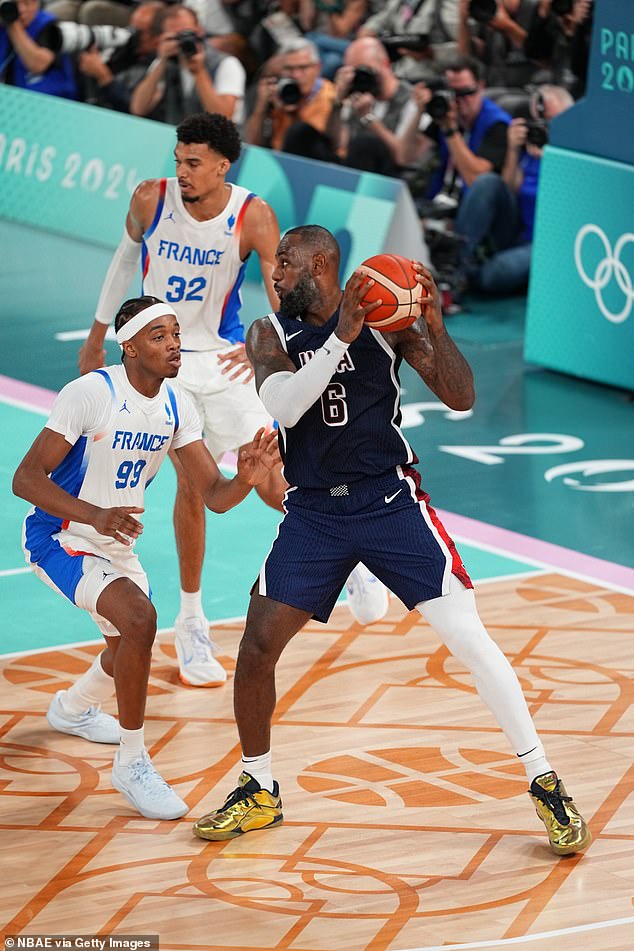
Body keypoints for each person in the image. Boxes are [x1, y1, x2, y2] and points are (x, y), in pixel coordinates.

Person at [191, 224, 591, 858]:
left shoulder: (386, 319)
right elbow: (286, 407)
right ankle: (258, 786)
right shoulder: (269, 333)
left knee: (468, 637)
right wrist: (340, 338)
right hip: (315, 513)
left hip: (389, 501)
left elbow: (461, 397)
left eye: (288, 264)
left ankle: (544, 780)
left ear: (321, 266)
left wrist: (432, 322)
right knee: (257, 642)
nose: (276, 273)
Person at [12, 296, 280, 820]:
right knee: (140, 620)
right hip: (60, 535)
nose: (175, 344)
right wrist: (95, 515)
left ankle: (71, 708)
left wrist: (246, 478)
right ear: (129, 346)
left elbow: (214, 497)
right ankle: (132, 763)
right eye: (159, 336)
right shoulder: (91, 394)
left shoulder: (178, 406)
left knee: (123, 652)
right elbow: (26, 479)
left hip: (113, 540)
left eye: (176, 334)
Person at [78, 112, 283, 688]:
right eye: (179, 160)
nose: (182, 171)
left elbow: (275, 284)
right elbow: (123, 262)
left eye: (194, 162)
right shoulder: (151, 199)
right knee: (193, 485)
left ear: (223, 165)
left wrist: (268, 342)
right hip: (166, 362)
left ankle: (347, 538)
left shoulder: (253, 214)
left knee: (270, 473)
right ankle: (193, 623)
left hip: (223, 358)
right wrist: (97, 335)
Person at [464, 84, 574, 295]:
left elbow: (571, 210)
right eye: (539, 122)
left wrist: (552, 162)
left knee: (491, 276)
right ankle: (456, 266)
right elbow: (508, 189)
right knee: (487, 182)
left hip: (549, 244)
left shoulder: (575, 154)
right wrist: (513, 150)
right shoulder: (532, 145)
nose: (544, 129)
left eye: (551, 123)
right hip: (516, 231)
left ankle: (476, 275)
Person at [129, 5, 246, 125]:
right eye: (176, 37)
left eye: (187, 33)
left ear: (200, 30)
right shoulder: (166, 62)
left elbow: (224, 117)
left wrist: (199, 72)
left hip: (217, 141)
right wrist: (161, 61)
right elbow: (138, 108)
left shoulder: (226, 63)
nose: (183, 41)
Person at [332, 35, 418, 175]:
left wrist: (368, 118)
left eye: (365, 70)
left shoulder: (411, 100)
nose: (361, 77)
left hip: (389, 176)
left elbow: (402, 157)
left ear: (385, 63)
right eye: (355, 72)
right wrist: (337, 102)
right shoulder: (355, 94)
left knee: (366, 143)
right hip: (352, 168)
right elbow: (339, 144)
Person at [243, 38, 338, 162]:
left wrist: (292, 113)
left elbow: (309, 142)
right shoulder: (280, 93)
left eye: (303, 68)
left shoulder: (330, 96)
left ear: (317, 68)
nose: (296, 75)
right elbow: (252, 144)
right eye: (289, 69)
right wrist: (262, 106)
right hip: (278, 163)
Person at [75, 0, 165, 112]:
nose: (130, 33)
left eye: (138, 31)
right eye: (131, 26)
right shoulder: (120, 43)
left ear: (156, 40)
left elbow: (135, 108)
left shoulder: (159, 65)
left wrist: (105, 78)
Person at [0, 0, 77, 98]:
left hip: (49, 101)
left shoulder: (50, 27)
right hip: (10, 98)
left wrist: (13, 24)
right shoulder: (2, 25)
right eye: (15, 4)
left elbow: (37, 65)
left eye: (26, 3)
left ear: (36, 3)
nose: (21, 9)